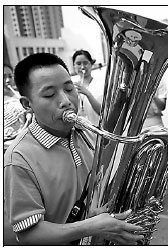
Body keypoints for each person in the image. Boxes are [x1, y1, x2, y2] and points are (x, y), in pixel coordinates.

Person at [4, 53, 144, 245]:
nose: (66, 101)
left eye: (69, 89)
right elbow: (28, 234)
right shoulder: (19, 158)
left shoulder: (85, 130)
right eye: (49, 95)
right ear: (27, 104)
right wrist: (91, 226)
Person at [4, 64, 32, 150]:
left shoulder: (21, 94)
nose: (8, 80)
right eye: (3, 76)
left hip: (26, 141)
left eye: (10, 76)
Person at [72, 49, 104, 126]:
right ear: (74, 66)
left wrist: (88, 94)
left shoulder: (101, 85)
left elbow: (102, 113)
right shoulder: (72, 86)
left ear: (91, 64)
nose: (82, 67)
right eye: (78, 64)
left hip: (97, 130)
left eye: (85, 63)